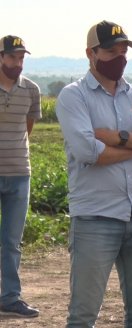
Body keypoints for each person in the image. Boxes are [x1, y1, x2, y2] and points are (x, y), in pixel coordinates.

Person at [55, 20, 132, 327]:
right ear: (91, 53)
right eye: (111, 52)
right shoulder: (73, 96)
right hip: (94, 218)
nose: (119, 58)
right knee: (84, 314)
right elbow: (88, 153)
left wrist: (111, 136)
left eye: (123, 51)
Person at [0, 35, 41, 318]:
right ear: (0, 57)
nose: (18, 63)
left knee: (12, 241)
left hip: (19, 174)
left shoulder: (31, 90)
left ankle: (10, 298)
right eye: (13, 57)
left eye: (21, 58)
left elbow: (28, 128)